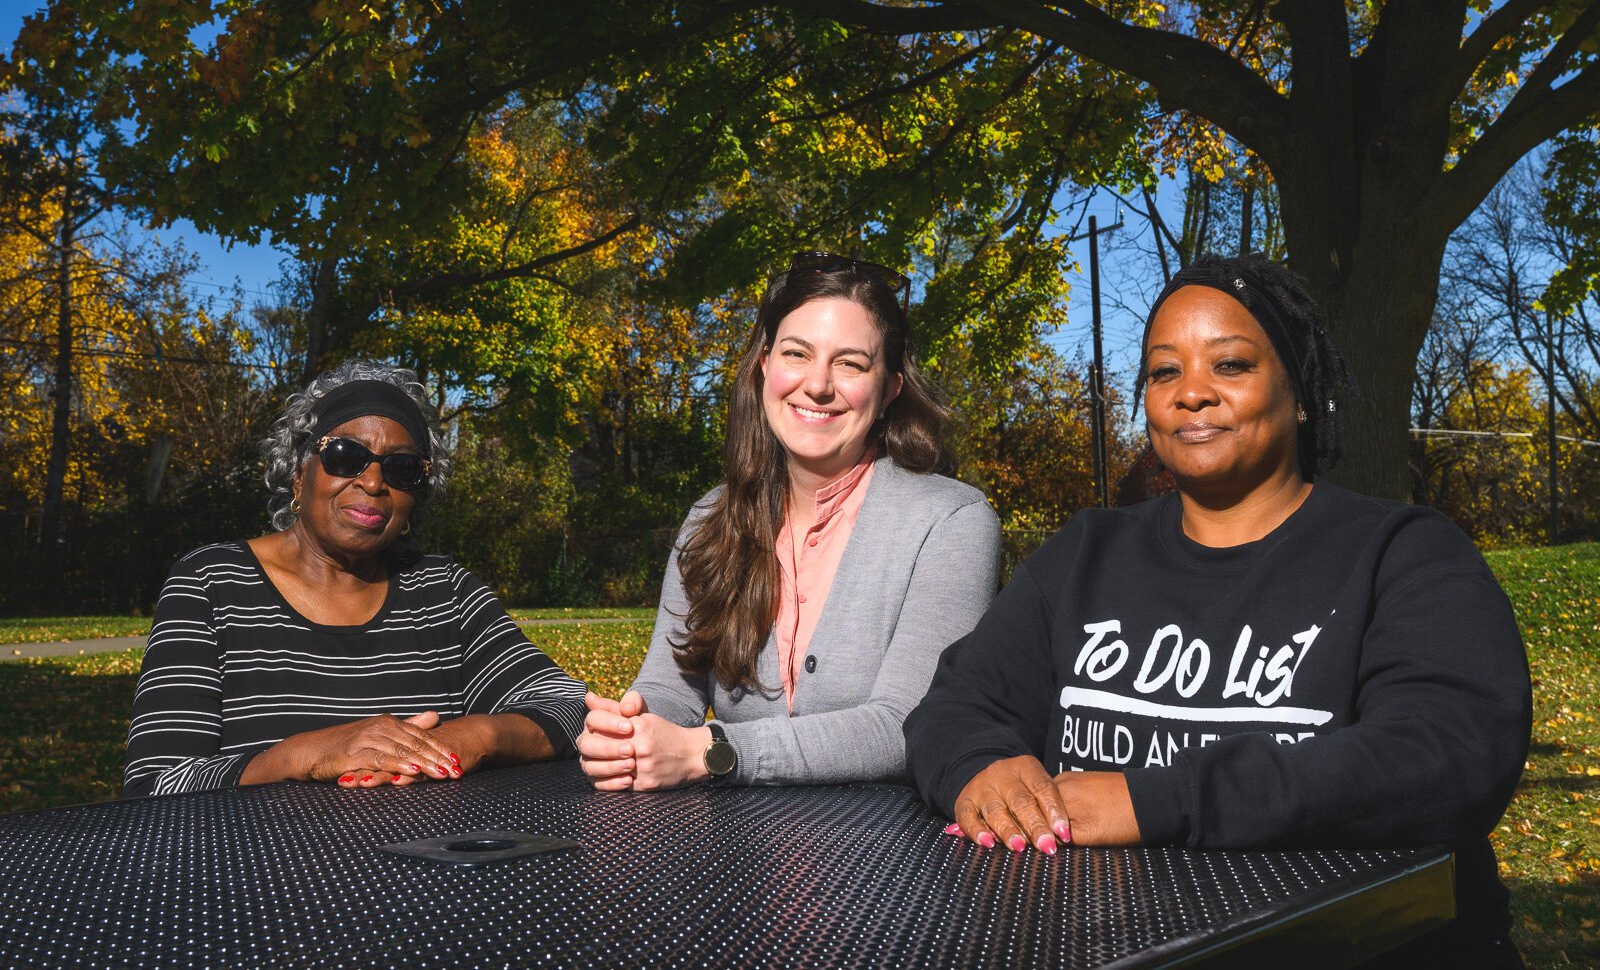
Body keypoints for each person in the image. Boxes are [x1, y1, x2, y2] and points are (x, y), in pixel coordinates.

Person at [904, 254, 1532, 966]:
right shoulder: (1087, 551)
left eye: (1229, 365)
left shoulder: (1402, 553)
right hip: (1106, 945)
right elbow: (953, 703)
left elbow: (1450, 754)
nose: (1191, 393)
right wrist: (980, 765)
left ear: (1298, 392)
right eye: (1164, 371)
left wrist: (1156, 799)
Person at [578, 253, 1001, 790]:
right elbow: (672, 689)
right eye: (796, 354)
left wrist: (712, 752)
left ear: (890, 388)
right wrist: (630, 727)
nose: (818, 385)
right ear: (764, 366)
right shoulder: (710, 519)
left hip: (893, 853)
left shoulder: (952, 522)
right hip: (738, 851)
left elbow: (909, 722)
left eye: (850, 363)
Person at [123, 361, 587, 798]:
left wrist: (471, 735)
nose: (372, 482)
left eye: (401, 468)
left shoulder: (443, 592)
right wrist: (306, 753)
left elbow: (571, 709)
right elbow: (155, 784)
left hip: (428, 873)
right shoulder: (212, 583)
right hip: (263, 876)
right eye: (345, 456)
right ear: (297, 472)